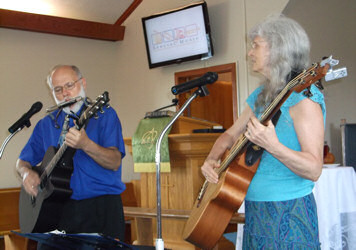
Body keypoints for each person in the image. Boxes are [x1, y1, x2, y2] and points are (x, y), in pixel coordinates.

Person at [201, 15, 324, 249]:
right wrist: (211, 159)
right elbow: (229, 135)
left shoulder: (305, 100)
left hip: (289, 211)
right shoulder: (260, 96)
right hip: (255, 209)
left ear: (278, 49)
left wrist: (273, 145)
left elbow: (314, 169)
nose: (250, 53)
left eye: (256, 45)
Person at [16, 65, 126, 241]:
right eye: (58, 90)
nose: (65, 94)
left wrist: (86, 144)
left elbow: (114, 162)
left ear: (82, 83)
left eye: (69, 85)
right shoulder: (46, 124)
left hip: (99, 207)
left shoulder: (105, 115)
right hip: (56, 209)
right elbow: (22, 161)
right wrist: (26, 173)